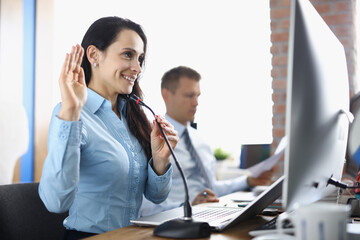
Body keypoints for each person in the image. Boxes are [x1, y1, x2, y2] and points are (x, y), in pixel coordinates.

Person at [38, 17, 178, 239]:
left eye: (140, 58)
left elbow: (156, 196)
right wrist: (72, 113)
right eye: (127, 54)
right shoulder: (70, 113)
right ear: (94, 55)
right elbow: (55, 202)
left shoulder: (132, 116)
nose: (137, 68)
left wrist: (161, 162)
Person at [140, 66, 274, 216]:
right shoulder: (153, 140)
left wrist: (247, 181)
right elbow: (144, 206)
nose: (196, 102)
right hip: (174, 218)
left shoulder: (200, 141)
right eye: (189, 95)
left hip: (208, 213)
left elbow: (212, 188)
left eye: (198, 95)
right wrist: (189, 206)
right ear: (166, 95)